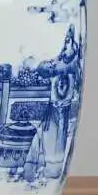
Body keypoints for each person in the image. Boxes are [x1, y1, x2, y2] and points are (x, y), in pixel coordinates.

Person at [37, 25, 82, 179]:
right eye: (50, 66)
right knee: (51, 138)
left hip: (61, 109)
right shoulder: (62, 69)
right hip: (56, 109)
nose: (52, 62)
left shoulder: (68, 66)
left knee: (57, 139)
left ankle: (53, 170)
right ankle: (51, 169)